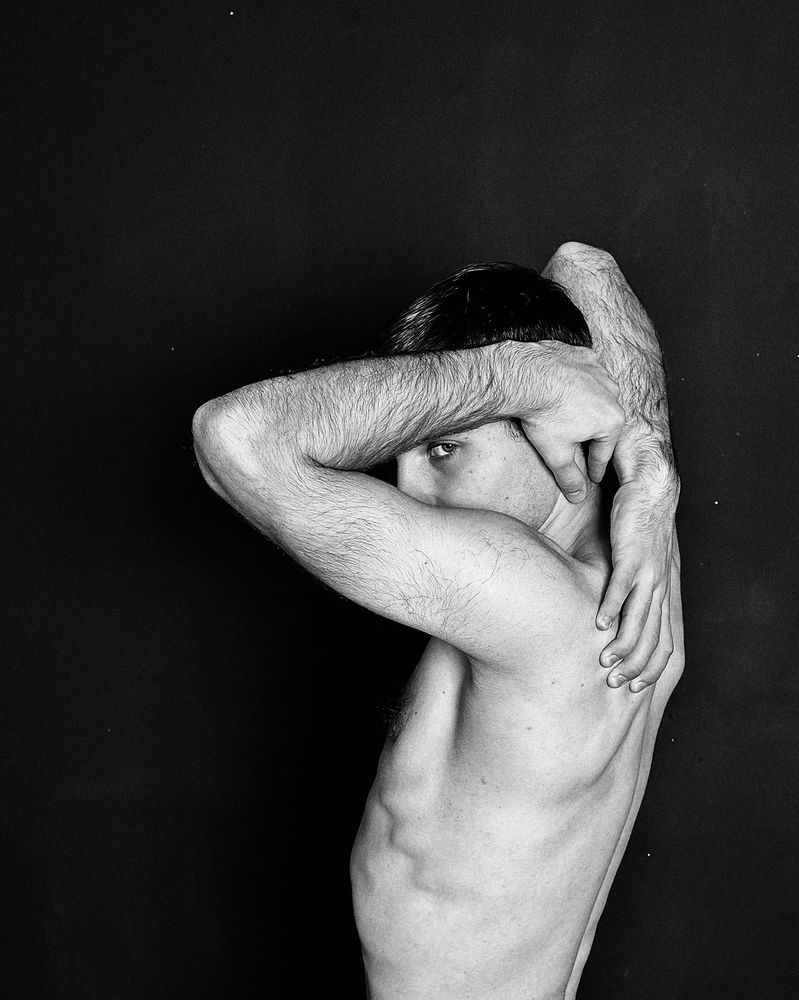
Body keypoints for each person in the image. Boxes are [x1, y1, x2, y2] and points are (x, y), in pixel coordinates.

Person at [192, 241, 683, 999]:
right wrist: (648, 461)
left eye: (444, 448)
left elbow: (232, 437)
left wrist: (520, 377)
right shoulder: (642, 565)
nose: (411, 489)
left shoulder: (531, 598)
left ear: (553, 429)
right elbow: (582, 265)